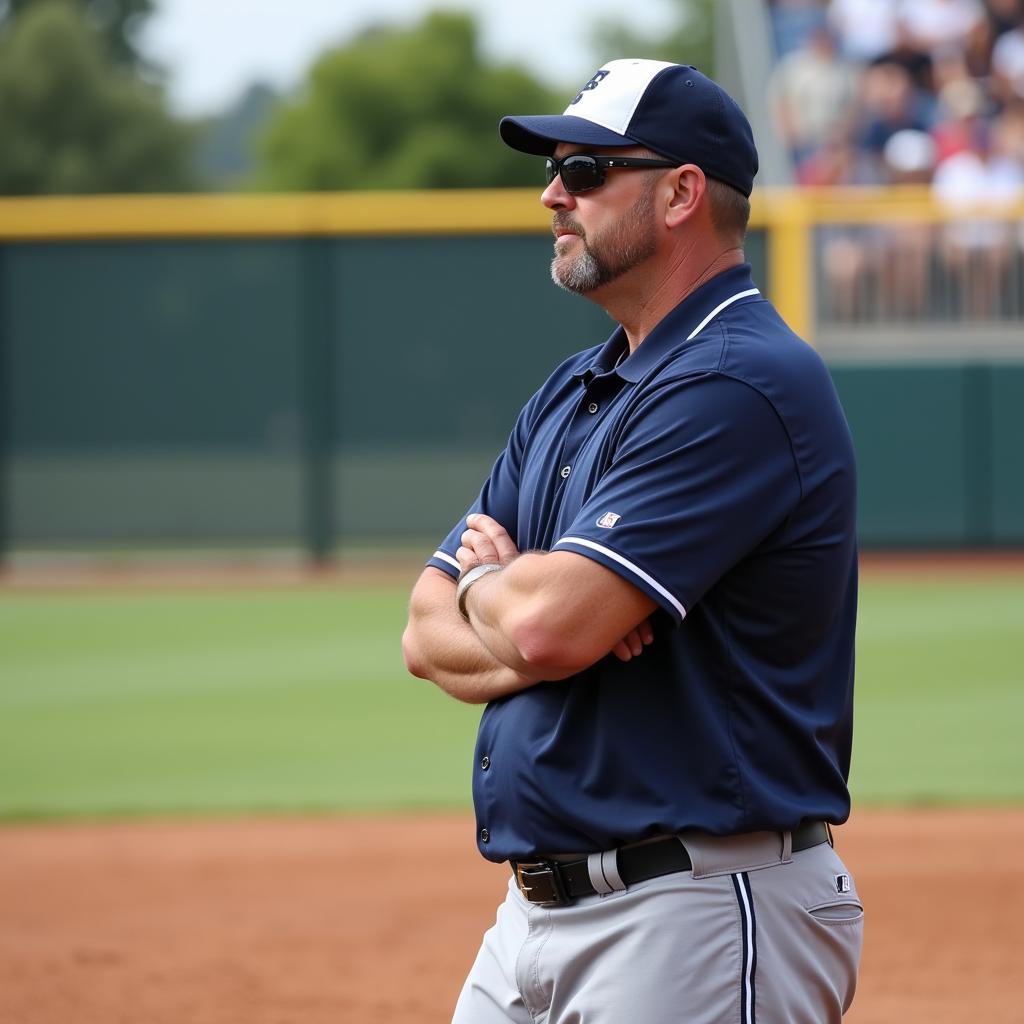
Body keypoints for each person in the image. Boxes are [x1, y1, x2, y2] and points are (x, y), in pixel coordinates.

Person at [402, 59, 863, 1024]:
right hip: (529, 921)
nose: (550, 195)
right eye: (555, 170)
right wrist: (532, 605)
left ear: (682, 193)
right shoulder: (574, 388)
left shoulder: (738, 384)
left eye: (583, 170)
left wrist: (501, 590)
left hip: (693, 913)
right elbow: (422, 631)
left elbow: (535, 628)